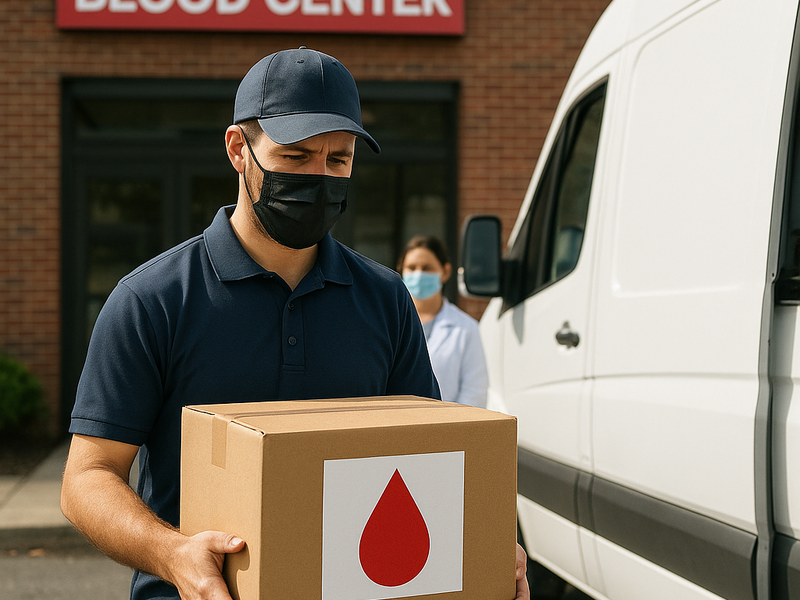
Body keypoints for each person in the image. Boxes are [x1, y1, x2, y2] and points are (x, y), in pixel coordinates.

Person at [60, 47, 529, 600]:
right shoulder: (152, 300)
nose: (319, 176)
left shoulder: (385, 300)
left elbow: (428, 459)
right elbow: (87, 479)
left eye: (338, 160)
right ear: (239, 149)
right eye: (296, 155)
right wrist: (172, 553)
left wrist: (488, 544)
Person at [398, 235, 489, 408]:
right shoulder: (390, 324)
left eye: (427, 268)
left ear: (445, 271)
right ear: (400, 270)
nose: (418, 274)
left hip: (450, 430)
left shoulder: (466, 328)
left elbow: (474, 393)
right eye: (411, 268)